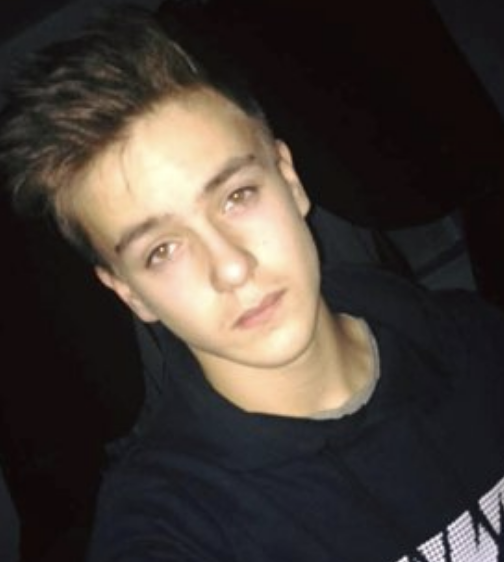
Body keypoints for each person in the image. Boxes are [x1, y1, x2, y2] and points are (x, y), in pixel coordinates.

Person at [0, 7, 503, 562]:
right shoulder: (172, 526)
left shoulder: (478, 338)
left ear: (290, 180)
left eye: (236, 197)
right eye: (162, 250)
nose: (231, 268)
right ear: (130, 293)